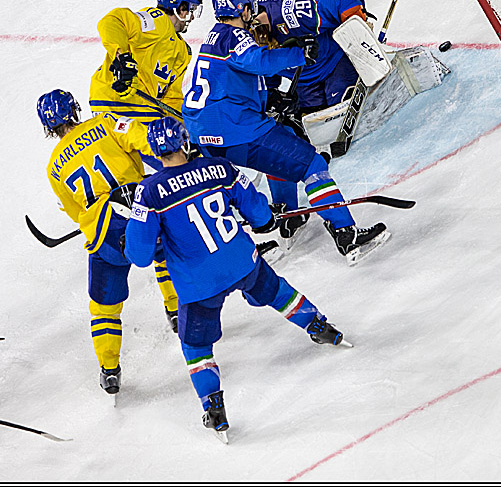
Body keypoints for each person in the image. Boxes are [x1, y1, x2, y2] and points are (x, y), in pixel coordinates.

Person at [122, 117, 350, 442]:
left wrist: (136, 233)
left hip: (199, 284)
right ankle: (320, 326)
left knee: (196, 345)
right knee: (277, 292)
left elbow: (141, 255)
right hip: (242, 262)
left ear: (155, 151)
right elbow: (259, 214)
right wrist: (265, 218)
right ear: (185, 140)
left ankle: (214, 408)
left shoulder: (148, 193)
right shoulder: (220, 168)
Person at [181, 0, 389, 265]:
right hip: (237, 129)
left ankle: (290, 217)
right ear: (242, 8)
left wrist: (270, 100)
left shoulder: (213, 38)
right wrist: (300, 53)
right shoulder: (235, 36)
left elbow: (235, 78)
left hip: (202, 135)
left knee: (276, 152)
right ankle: (346, 234)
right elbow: (259, 62)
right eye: (249, 6)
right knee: (312, 164)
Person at [38, 88, 176, 400]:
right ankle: (176, 311)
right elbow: (143, 139)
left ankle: (109, 369)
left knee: (104, 307)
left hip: (103, 232)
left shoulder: (53, 167)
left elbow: (76, 213)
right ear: (73, 110)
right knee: (164, 256)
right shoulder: (106, 122)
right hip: (142, 213)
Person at [88, 0, 203, 167]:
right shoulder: (157, 20)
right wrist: (122, 58)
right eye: (190, 9)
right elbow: (112, 21)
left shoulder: (183, 52)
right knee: (176, 161)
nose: (191, 17)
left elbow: (170, 98)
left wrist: (187, 124)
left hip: (142, 111)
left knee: (185, 151)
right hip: (115, 103)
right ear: (180, 8)